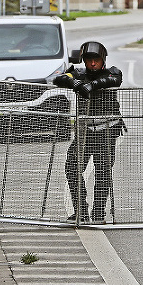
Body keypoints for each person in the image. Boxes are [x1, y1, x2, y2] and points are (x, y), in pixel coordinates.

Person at [53, 41, 124, 223]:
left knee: (103, 172)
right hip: (84, 133)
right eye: (88, 60)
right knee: (72, 167)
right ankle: (81, 212)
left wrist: (92, 86)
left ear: (103, 60)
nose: (92, 64)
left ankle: (99, 213)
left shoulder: (112, 71)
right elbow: (58, 78)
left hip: (107, 133)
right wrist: (76, 82)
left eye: (96, 60)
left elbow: (114, 79)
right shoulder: (78, 73)